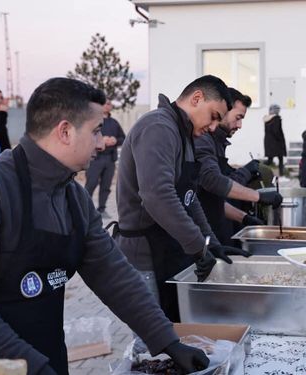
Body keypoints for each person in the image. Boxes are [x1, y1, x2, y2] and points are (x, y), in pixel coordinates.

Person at [0, 78, 209, 375]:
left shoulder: (74, 196)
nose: (101, 143)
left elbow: (113, 274)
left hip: (48, 357)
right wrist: (30, 368)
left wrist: (169, 341)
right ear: (65, 131)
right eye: (96, 131)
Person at [115, 75, 248, 324]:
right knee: (154, 342)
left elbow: (188, 197)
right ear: (197, 98)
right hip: (146, 254)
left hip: (169, 247)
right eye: (214, 116)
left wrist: (211, 242)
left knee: (177, 328)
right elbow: (158, 196)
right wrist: (198, 246)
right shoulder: (159, 127)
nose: (212, 127)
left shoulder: (184, 134)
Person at [195, 88, 283, 245]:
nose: (240, 125)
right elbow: (214, 184)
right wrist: (258, 196)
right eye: (238, 118)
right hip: (203, 233)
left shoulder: (217, 142)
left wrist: (245, 218)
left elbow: (213, 200)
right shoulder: (203, 140)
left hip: (216, 229)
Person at [84, 99, 125, 216]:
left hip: (110, 159)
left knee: (106, 186)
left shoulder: (114, 123)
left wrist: (115, 140)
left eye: (110, 104)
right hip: (95, 159)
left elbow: (123, 138)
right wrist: (101, 140)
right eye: (106, 103)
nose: (108, 106)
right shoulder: (93, 121)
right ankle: (85, 208)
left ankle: (102, 209)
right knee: (91, 184)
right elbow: (86, 136)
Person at [263, 104, 286, 175]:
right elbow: (276, 131)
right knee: (280, 159)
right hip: (277, 143)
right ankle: (281, 174)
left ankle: (261, 170)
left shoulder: (266, 119)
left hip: (268, 142)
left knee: (270, 160)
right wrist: (281, 140)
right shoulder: (276, 119)